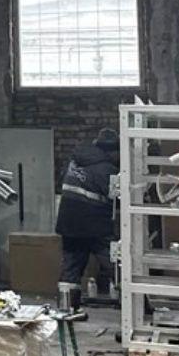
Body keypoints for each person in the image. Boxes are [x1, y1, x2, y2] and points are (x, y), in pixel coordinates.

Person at [54, 127, 120, 305]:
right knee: (115, 264)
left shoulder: (75, 161)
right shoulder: (107, 169)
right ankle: (136, 305)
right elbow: (118, 198)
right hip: (95, 225)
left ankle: (67, 308)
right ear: (112, 151)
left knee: (71, 267)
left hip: (68, 223)